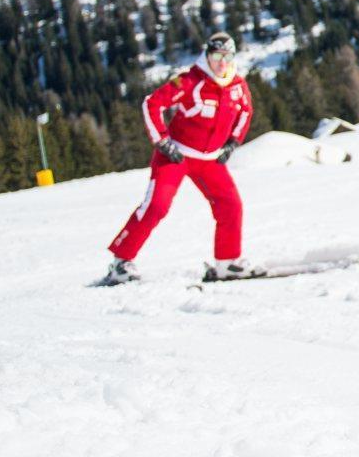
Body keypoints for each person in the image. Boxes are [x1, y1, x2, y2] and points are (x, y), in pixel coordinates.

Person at [101, 31, 255, 284]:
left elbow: (245, 113)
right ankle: (121, 263)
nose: (222, 63)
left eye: (227, 56)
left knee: (230, 205)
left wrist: (233, 142)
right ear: (207, 55)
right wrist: (161, 141)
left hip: (210, 159)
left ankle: (228, 263)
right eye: (216, 56)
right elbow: (152, 104)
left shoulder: (237, 85)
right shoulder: (189, 81)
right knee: (157, 206)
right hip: (176, 155)